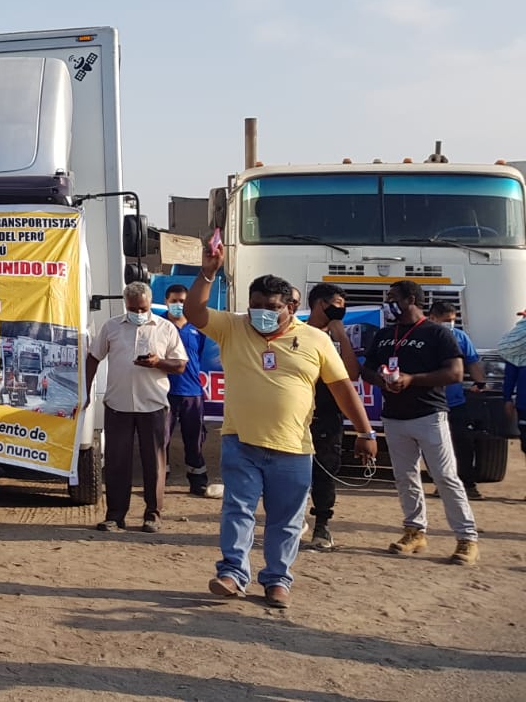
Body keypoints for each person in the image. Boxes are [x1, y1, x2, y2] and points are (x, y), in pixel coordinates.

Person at [184, 243, 376, 609]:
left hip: (293, 449)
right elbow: (194, 311)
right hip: (241, 441)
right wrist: (208, 272)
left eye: (272, 308)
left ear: (290, 307)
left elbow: (342, 389)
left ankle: (277, 580)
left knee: (286, 519)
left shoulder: (317, 340)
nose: (262, 314)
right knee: (237, 510)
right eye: (256, 306)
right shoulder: (234, 328)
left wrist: (365, 432)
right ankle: (232, 574)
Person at [363, 281, 480, 565]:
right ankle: (414, 531)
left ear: (411, 299)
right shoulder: (384, 334)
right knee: (405, 477)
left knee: (445, 477)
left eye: (393, 298)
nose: (388, 303)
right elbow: (366, 369)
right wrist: (381, 381)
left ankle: (467, 539)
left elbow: (454, 373)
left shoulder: (437, 333)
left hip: (429, 415)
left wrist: (412, 380)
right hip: (394, 416)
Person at [84, 281, 188, 533]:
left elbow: (180, 365)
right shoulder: (112, 327)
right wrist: (85, 392)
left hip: (153, 405)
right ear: (125, 304)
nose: (138, 313)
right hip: (118, 404)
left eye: (142, 308)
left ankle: (153, 514)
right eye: (133, 308)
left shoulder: (165, 328)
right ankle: (115, 515)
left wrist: (158, 363)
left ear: (149, 304)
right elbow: (93, 358)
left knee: (154, 462)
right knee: (117, 462)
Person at [302, 282, 360, 552]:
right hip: (296, 414)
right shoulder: (298, 332)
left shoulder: (339, 338)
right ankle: (292, 521)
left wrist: (342, 338)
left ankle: (322, 525)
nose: (342, 310)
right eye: (337, 304)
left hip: (328, 415)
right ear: (320, 304)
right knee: (290, 471)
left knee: (324, 471)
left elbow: (352, 375)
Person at [429, 301, 488, 500]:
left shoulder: (460, 337)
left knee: (463, 443)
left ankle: (468, 484)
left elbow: (472, 362)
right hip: (429, 403)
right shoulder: (423, 337)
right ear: (433, 318)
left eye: (453, 320)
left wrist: (480, 383)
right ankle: (442, 484)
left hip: (455, 402)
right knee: (436, 446)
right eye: (446, 320)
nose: (450, 324)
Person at [162, 284, 214, 497]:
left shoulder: (197, 327)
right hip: (163, 391)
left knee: (194, 439)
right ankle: (159, 478)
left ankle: (197, 480)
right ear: (166, 301)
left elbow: (199, 354)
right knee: (160, 438)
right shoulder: (159, 324)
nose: (178, 305)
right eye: (174, 301)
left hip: (192, 392)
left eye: (182, 301)